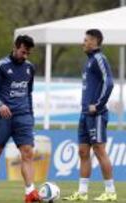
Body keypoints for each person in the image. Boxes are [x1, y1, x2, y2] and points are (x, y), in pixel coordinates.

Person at [0, 35, 39, 203]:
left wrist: (31, 115)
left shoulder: (30, 68)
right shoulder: (1, 66)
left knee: (27, 153)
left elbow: (28, 93)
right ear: (15, 47)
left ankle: (30, 192)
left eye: (28, 53)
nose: (25, 56)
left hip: (23, 117)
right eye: (23, 52)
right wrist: (0, 105)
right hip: (2, 118)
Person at [63, 29, 116, 202]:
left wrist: (99, 105)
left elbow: (109, 82)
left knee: (99, 150)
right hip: (84, 114)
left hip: (97, 114)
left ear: (94, 41)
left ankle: (110, 192)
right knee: (82, 151)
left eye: (86, 40)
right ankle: (82, 193)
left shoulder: (100, 59)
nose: (83, 43)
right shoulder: (89, 61)